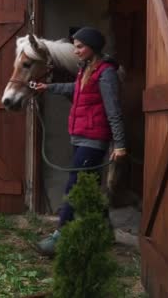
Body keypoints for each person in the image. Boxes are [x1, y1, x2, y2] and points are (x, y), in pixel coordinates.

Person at [34, 27, 126, 257]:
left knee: (74, 185)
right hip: (81, 136)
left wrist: (120, 143)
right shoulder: (86, 70)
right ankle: (105, 231)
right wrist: (49, 88)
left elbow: (114, 109)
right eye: (74, 47)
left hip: (93, 139)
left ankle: (61, 236)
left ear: (92, 47)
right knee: (90, 187)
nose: (75, 51)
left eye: (79, 47)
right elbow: (77, 90)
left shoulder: (106, 73)